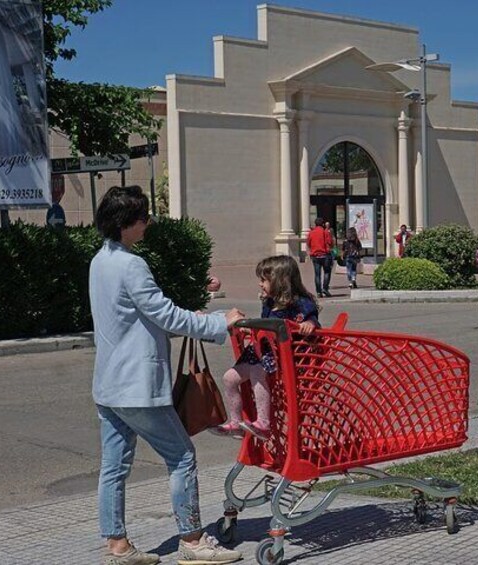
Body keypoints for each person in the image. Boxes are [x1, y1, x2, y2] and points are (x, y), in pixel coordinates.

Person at [89, 185, 245, 565]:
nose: (148, 224)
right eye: (143, 218)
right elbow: (165, 314)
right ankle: (192, 541)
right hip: (136, 387)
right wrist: (218, 323)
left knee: (113, 466)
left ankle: (117, 546)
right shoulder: (131, 264)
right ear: (126, 224)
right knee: (182, 456)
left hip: (108, 384)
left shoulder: (100, 260)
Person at [213, 255, 319, 440]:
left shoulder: (301, 303)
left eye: (264, 280)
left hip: (283, 355)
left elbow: (313, 320)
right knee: (229, 378)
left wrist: (310, 323)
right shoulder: (269, 303)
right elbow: (265, 324)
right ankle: (236, 423)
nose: (260, 284)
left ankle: (263, 422)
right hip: (263, 351)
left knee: (256, 371)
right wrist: (251, 327)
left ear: (280, 281)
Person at [306, 217, 333, 297]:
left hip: (315, 256)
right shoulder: (325, 232)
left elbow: (308, 243)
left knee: (317, 274)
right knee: (327, 272)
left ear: (315, 224)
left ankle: (318, 292)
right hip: (325, 255)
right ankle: (325, 288)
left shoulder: (311, 233)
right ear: (323, 224)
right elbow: (330, 242)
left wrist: (311, 251)